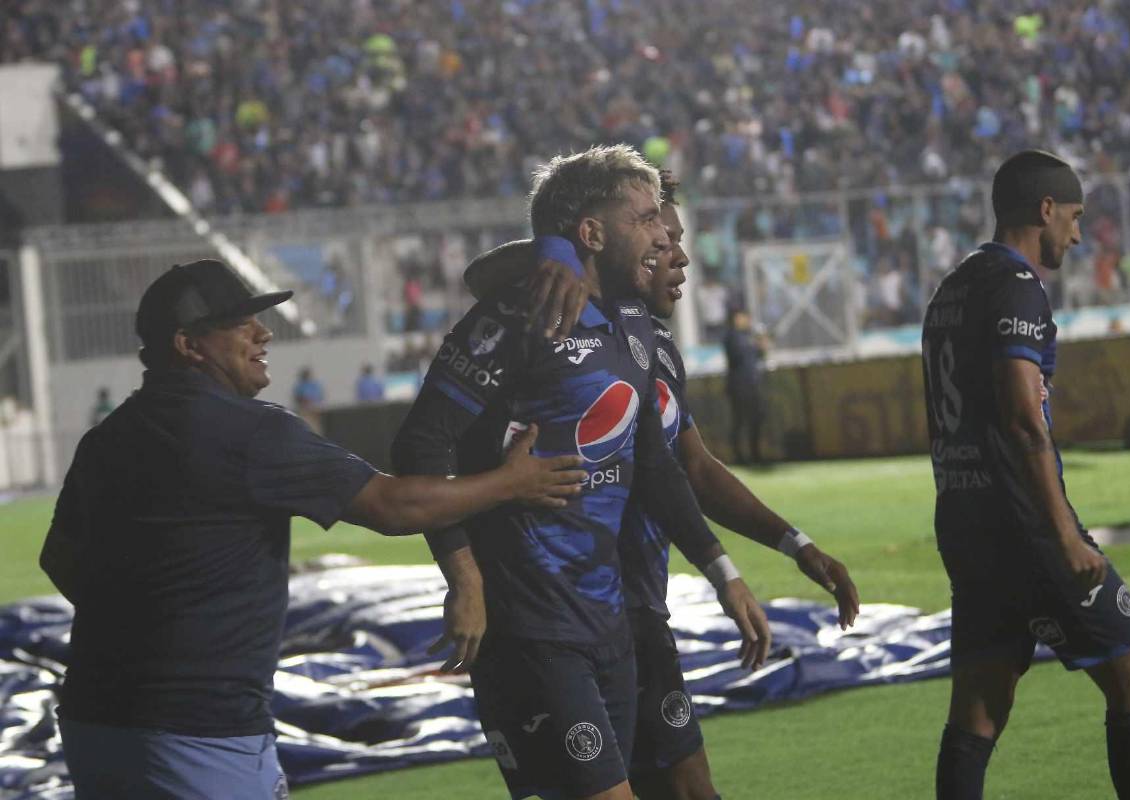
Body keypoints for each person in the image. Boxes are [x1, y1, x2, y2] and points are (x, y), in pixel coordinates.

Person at [39, 259, 587, 800]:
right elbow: (393, 506)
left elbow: (59, 561)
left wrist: (147, 625)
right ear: (188, 345)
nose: (263, 333)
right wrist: (510, 482)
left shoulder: (106, 439)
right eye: (239, 323)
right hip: (200, 731)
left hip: (94, 723)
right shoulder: (249, 433)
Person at [465, 171, 860, 800]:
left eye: (673, 237)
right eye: (658, 237)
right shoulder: (550, 316)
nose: (675, 255)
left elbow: (691, 468)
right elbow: (483, 278)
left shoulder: (653, 346)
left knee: (687, 789)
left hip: (638, 612)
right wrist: (556, 251)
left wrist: (793, 544)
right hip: (558, 617)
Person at [391, 147, 769, 800]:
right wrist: (465, 577)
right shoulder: (519, 313)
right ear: (592, 234)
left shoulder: (631, 325)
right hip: (529, 625)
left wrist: (722, 572)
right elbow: (421, 442)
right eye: (648, 219)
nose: (663, 234)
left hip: (608, 621)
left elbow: (656, 464)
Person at [921, 151, 1130, 800]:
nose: (1078, 234)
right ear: (1045, 209)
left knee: (978, 706)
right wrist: (1064, 537)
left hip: (963, 521)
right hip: (1025, 526)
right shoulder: (1016, 286)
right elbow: (1025, 421)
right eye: (1076, 217)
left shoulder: (950, 289)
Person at [723, 308, 769, 464]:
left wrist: (762, 345)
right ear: (736, 318)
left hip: (753, 384)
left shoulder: (748, 336)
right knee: (740, 421)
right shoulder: (731, 336)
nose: (747, 320)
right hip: (739, 385)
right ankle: (739, 456)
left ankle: (755, 454)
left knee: (755, 420)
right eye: (744, 317)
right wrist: (755, 343)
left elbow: (760, 356)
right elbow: (737, 356)